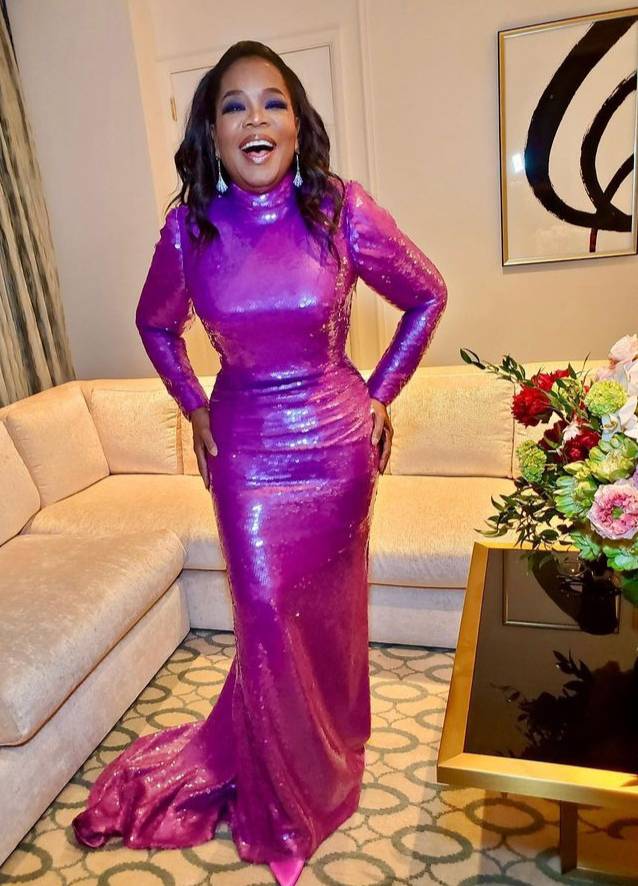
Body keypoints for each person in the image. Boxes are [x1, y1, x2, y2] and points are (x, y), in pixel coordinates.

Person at [71, 39, 448, 886]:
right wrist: (193, 404)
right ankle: (283, 809)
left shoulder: (341, 210)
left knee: (330, 617)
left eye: (272, 102)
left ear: (296, 122)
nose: (255, 119)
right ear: (211, 130)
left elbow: (427, 294)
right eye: (233, 105)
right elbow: (155, 325)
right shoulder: (189, 229)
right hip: (245, 455)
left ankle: (332, 756)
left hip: (338, 447)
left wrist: (382, 393)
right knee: (268, 621)